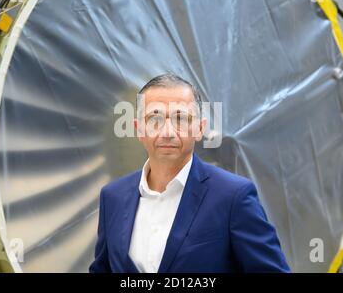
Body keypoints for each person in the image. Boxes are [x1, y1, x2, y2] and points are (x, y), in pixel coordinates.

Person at [89, 74, 290, 273]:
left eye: (180, 118)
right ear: (139, 128)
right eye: (154, 118)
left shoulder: (233, 197)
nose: (167, 132)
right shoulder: (112, 197)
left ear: (199, 128)